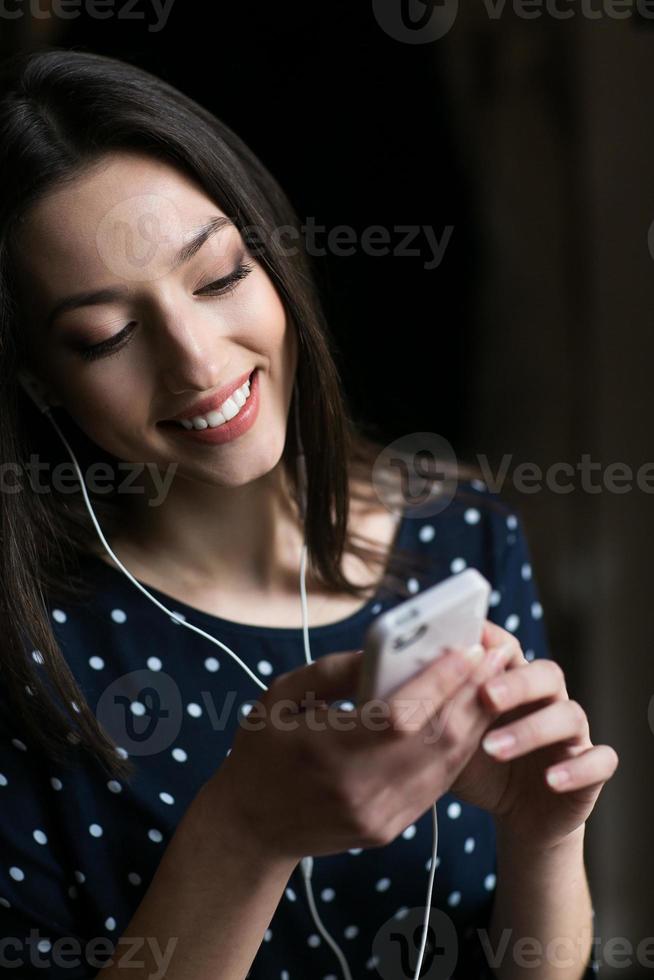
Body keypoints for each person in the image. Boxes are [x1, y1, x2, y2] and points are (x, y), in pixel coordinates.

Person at [0, 47, 617, 980]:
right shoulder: (28, 655)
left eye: (217, 278)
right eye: (108, 337)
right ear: (39, 380)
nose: (200, 364)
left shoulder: (465, 536)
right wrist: (244, 833)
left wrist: (545, 838)